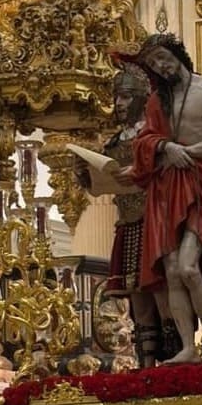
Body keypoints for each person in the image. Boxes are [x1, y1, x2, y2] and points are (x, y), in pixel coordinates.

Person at [126, 33, 202, 363]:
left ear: (177, 52)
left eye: (163, 56)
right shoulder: (156, 100)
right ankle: (189, 347)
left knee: (189, 267)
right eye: (153, 63)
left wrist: (185, 152)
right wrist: (164, 147)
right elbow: (146, 138)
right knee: (173, 270)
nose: (161, 65)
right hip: (167, 186)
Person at [75, 53, 179, 367]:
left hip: (155, 220)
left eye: (124, 97)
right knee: (137, 294)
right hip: (128, 221)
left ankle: (174, 358)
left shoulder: (154, 134)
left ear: (140, 99)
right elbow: (99, 187)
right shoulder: (114, 141)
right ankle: (145, 362)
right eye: (116, 97)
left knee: (159, 290)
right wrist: (85, 172)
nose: (118, 103)